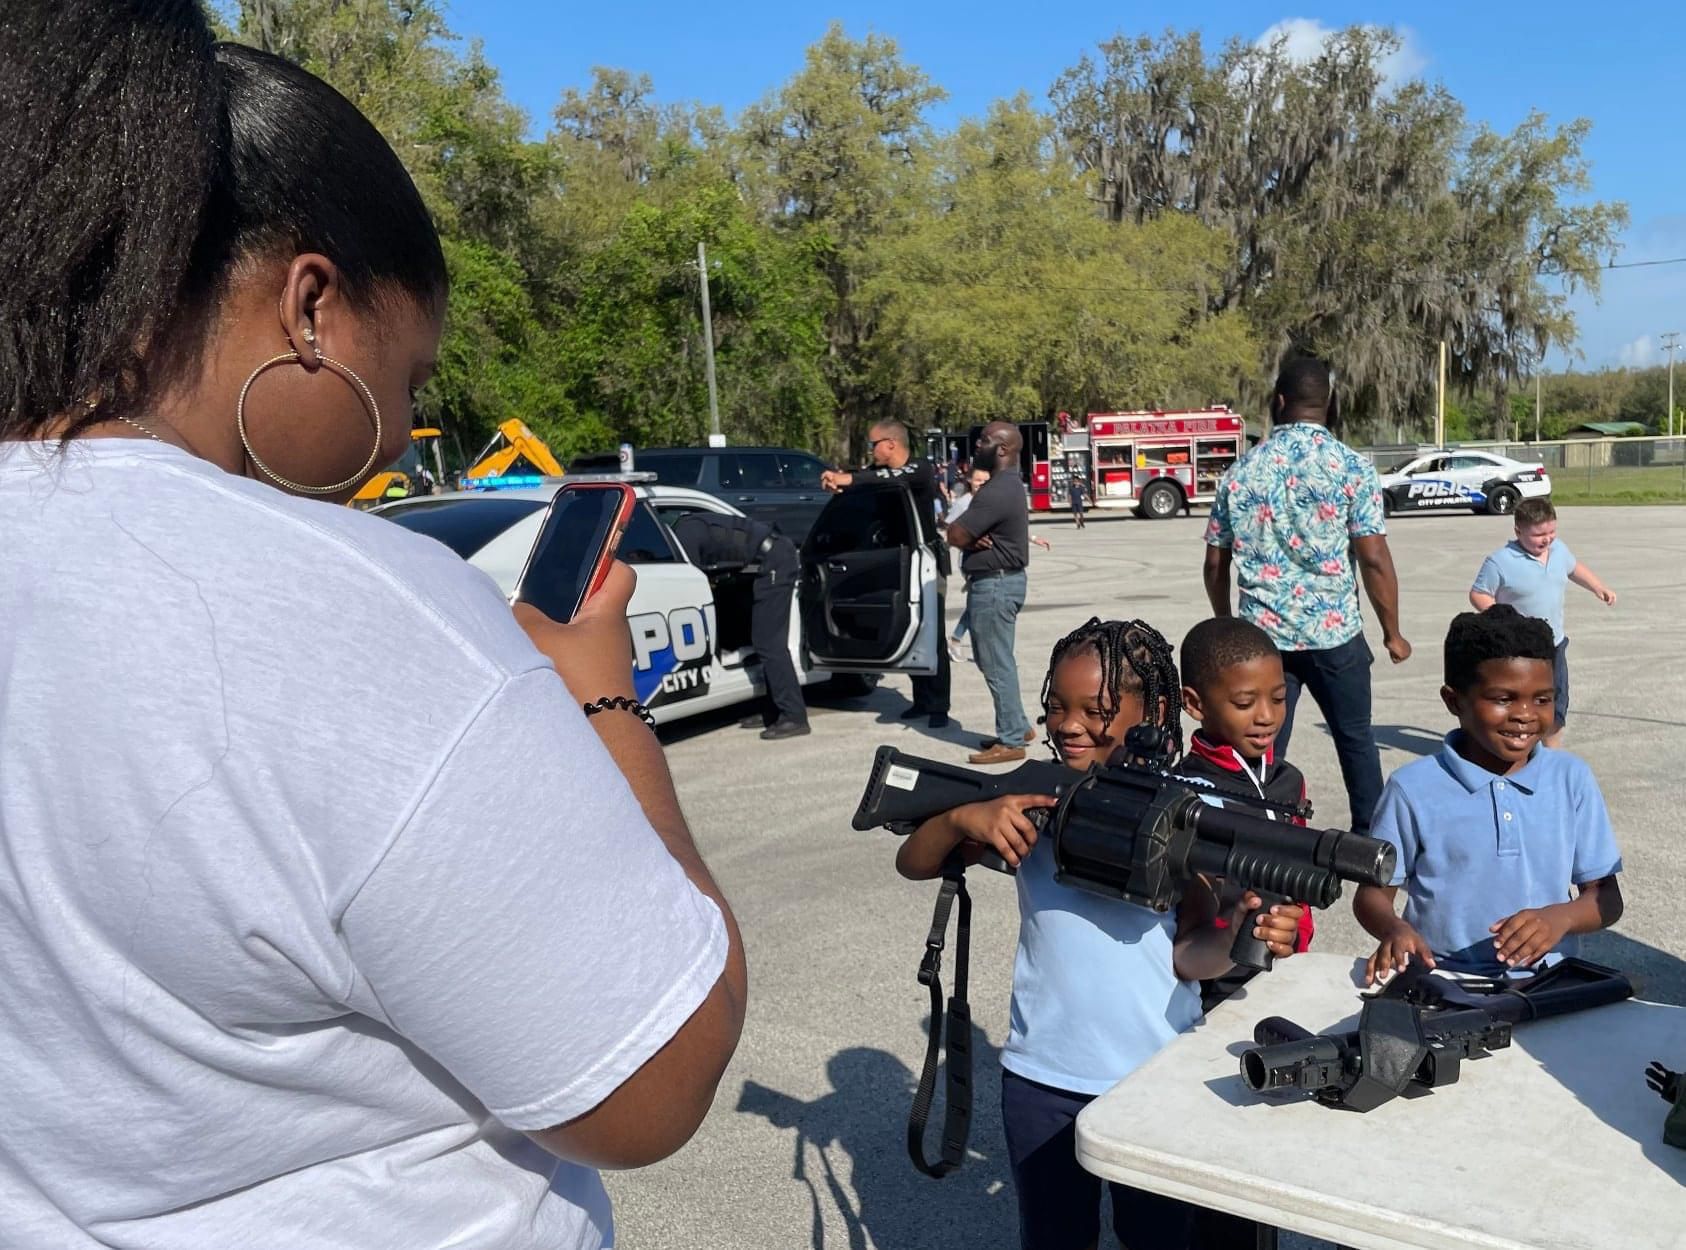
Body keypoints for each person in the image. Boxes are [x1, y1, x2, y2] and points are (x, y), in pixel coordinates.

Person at [0, 8, 746, 1249]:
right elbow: (653, 1078)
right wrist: (601, 702)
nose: (399, 435)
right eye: (405, 375)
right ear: (309, 305)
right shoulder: (356, 602)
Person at [895, 619, 1306, 1250]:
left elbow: (1188, 954)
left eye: (1097, 709)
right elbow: (915, 861)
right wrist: (962, 818)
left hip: (1152, 1076)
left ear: (1156, 711)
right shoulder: (1032, 798)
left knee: (1159, 1237)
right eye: (1057, 706)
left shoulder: (1185, 812)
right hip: (1040, 1076)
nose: (1068, 724)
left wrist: (1236, 933)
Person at [1353, 606, 1624, 982]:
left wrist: (1560, 918)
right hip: (1443, 978)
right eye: (1503, 698)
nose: (1525, 714)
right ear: (1454, 701)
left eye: (1542, 699)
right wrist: (1395, 930)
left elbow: (1606, 899)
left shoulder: (1571, 778)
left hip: (1548, 980)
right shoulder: (1412, 788)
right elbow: (1372, 895)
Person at [1202, 356, 1411, 834]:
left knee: (1263, 746)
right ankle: (1370, 841)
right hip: (1335, 634)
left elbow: (1216, 562)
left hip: (1263, 642)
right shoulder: (1352, 468)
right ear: (1330, 404)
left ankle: (1260, 836)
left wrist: (1226, 624)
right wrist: (1392, 632)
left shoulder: (1242, 472)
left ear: (1279, 403)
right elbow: (1374, 557)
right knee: (1356, 740)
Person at [823, 419, 951, 728]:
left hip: (926, 563)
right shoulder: (876, 472)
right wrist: (839, 484)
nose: (872, 450)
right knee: (907, 629)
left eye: (874, 444)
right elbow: (867, 480)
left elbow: (889, 476)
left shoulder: (920, 469)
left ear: (891, 444)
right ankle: (921, 699)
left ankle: (938, 706)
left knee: (932, 637)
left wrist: (849, 479)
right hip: (897, 561)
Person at [1469, 496, 1616, 749]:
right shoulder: (1500, 561)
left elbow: (1573, 568)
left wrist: (1598, 586)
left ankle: (1551, 756)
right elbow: (1479, 594)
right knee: (1521, 704)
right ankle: (1517, 751)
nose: (1547, 539)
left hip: (1554, 644)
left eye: (1551, 531)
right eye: (1539, 534)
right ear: (1518, 531)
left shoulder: (1559, 550)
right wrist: (1504, 620)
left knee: (1556, 703)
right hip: (1518, 650)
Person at [670, 511, 809, 739]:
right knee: (764, 641)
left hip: (774, 561)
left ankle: (794, 716)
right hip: (767, 558)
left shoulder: (685, 536)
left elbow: (690, 581)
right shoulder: (688, 525)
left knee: (769, 644)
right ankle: (773, 713)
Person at [947, 422, 1036, 763]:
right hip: (998, 582)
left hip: (996, 585)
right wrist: (969, 533)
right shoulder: (1006, 486)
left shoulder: (997, 490)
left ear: (1002, 449)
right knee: (995, 659)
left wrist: (966, 534)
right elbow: (959, 531)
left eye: (984, 440)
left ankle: (1012, 740)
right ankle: (1019, 725)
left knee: (996, 662)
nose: (977, 445)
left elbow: (955, 534)